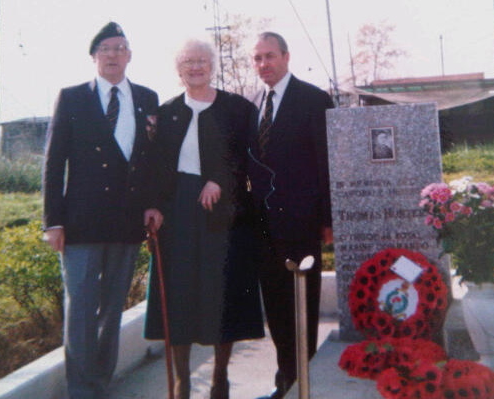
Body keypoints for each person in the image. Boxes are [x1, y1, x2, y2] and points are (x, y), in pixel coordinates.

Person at [42, 22, 163, 399]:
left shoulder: (147, 97)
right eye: (106, 49)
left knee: (112, 309)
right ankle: (81, 390)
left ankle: (101, 384)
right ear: (94, 57)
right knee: (80, 310)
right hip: (80, 224)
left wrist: (153, 205)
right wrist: (53, 222)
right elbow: (53, 162)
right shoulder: (73, 97)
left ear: (129, 55)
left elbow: (153, 161)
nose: (113, 55)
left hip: (126, 223)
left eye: (120, 48)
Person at [144, 39, 264, 399]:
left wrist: (220, 179)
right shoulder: (166, 113)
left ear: (212, 66)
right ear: (178, 70)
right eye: (188, 62)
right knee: (178, 293)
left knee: (221, 292)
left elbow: (248, 157)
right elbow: (154, 167)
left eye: (201, 61)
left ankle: (220, 378)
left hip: (221, 213)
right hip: (176, 212)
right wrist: (152, 205)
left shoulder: (237, 108)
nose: (195, 67)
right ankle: (181, 381)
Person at [247, 31, 335, 399]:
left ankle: (305, 380)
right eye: (257, 58)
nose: (263, 64)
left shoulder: (314, 100)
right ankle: (285, 377)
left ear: (286, 56)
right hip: (263, 226)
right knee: (277, 308)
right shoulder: (252, 104)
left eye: (269, 56)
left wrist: (328, 219)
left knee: (303, 304)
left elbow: (327, 162)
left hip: (302, 223)